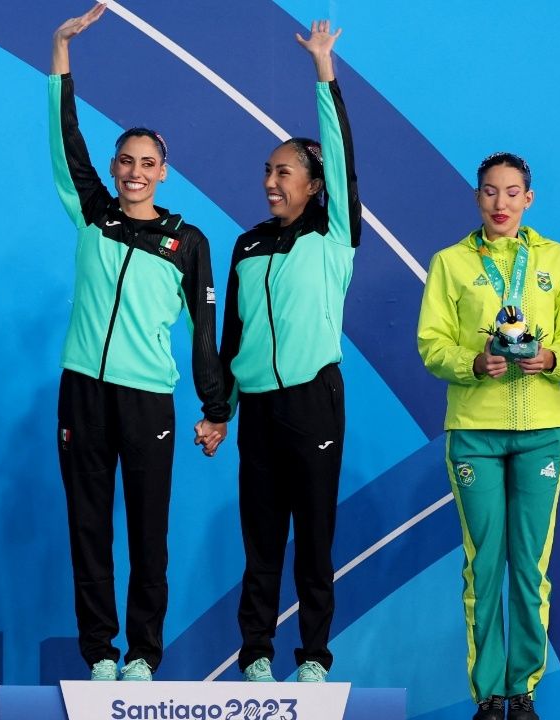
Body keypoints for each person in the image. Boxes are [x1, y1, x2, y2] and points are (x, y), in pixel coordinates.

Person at [49, 3, 230, 682]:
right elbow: (65, 143)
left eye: (145, 163)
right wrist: (61, 54)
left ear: (164, 171)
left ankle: (144, 655)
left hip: (150, 397)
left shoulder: (188, 241)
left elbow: (206, 335)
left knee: (147, 535)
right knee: (89, 528)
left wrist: (216, 410)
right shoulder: (92, 215)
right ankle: (99, 651)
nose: (132, 171)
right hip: (82, 393)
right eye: (124, 160)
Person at [416, 152, 560, 720]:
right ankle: (489, 693)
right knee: (483, 562)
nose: (501, 203)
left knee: (530, 564)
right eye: (490, 192)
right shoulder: (450, 262)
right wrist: (472, 363)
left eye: (513, 193)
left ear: (529, 199)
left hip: (542, 430)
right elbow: (431, 341)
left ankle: (524, 687)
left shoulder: (559, 260)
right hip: (474, 431)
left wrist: (554, 356)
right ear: (476, 196)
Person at [218, 20, 357, 684]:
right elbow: (233, 338)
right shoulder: (246, 244)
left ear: (314, 184)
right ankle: (255, 654)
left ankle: (315, 656)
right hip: (259, 412)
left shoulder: (332, 235)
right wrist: (221, 408)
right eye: (267, 172)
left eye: (284, 172)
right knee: (261, 539)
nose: (271, 182)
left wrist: (323, 71)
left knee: (314, 538)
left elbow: (340, 148)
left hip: (313, 401)